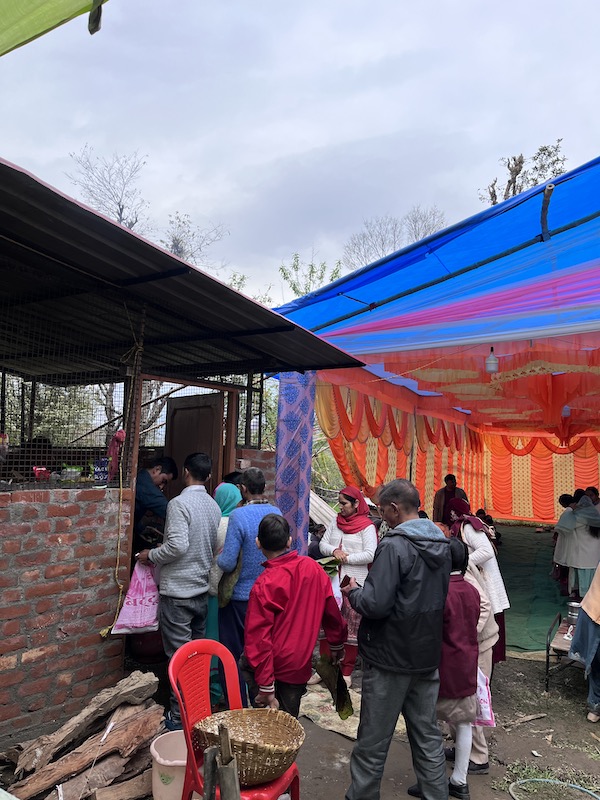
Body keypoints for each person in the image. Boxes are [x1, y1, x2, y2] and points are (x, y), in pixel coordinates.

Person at [341, 479, 451, 800]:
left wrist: (353, 592)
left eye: (381, 510)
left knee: (373, 741)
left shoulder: (394, 546)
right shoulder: (442, 544)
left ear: (393, 509)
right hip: (426, 653)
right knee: (427, 734)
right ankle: (436, 794)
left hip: (390, 655)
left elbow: (375, 604)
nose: (380, 515)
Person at [137, 452, 221, 730]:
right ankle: (197, 713)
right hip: (199, 592)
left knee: (179, 661)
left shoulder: (178, 504)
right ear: (208, 476)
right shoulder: (213, 506)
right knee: (195, 659)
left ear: (186, 472)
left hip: (178, 595)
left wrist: (151, 554)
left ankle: (178, 719)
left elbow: (176, 546)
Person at [241, 513, 347, 717]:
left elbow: (258, 639)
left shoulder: (265, 584)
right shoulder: (312, 568)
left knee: (266, 724)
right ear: (289, 541)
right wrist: (336, 643)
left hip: (271, 664)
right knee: (288, 725)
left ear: (258, 543)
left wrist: (265, 686)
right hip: (298, 664)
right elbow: (332, 612)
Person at [407, 537, 482, 800]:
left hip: (440, 664)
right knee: (463, 723)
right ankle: (459, 781)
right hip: (466, 662)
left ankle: (431, 781)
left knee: (426, 725)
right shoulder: (471, 590)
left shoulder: (440, 591)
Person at [217, 466, 282, 704]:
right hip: (270, 595)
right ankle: (261, 701)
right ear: (263, 487)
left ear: (243, 489)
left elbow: (227, 562)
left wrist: (216, 556)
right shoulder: (276, 512)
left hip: (240, 599)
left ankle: (237, 705)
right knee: (261, 652)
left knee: (232, 654)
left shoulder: (239, 516)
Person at [318, 486, 378, 686]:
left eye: (344, 503)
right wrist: (334, 550)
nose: (340, 507)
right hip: (333, 581)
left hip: (355, 582)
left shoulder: (367, 526)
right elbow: (322, 545)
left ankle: (346, 670)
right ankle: (326, 668)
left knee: (352, 627)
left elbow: (371, 553)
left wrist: (346, 558)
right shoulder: (334, 522)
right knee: (328, 623)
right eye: (340, 502)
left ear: (356, 504)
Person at [448, 497, 510, 664]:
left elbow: (486, 551)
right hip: (479, 578)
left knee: (488, 621)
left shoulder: (468, 526)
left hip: (485, 579)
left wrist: (463, 562)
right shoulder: (464, 525)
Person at [207, 481, 243, 705]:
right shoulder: (241, 523)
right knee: (233, 641)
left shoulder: (217, 523)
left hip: (214, 588)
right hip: (236, 590)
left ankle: (214, 688)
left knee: (212, 638)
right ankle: (236, 688)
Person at [570, 560, 600, 723]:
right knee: (596, 662)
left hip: (593, 611)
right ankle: (595, 705)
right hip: (595, 614)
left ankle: (595, 705)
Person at [133, 456, 178, 555]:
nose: (162, 486)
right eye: (163, 481)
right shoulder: (146, 485)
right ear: (157, 470)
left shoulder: (140, 476)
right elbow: (168, 511)